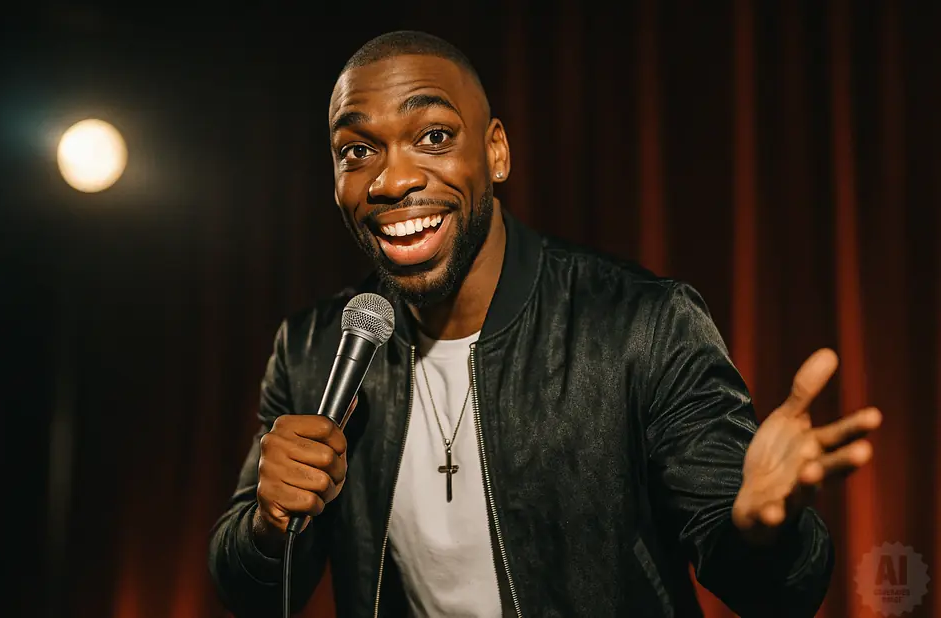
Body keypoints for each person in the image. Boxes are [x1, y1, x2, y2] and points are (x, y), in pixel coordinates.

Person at [208, 31, 882, 618]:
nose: (391, 180)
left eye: (434, 137)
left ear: (496, 153)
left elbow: (780, 594)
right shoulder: (315, 349)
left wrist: (763, 532)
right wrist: (268, 528)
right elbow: (254, 593)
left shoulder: (641, 324)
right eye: (357, 151)